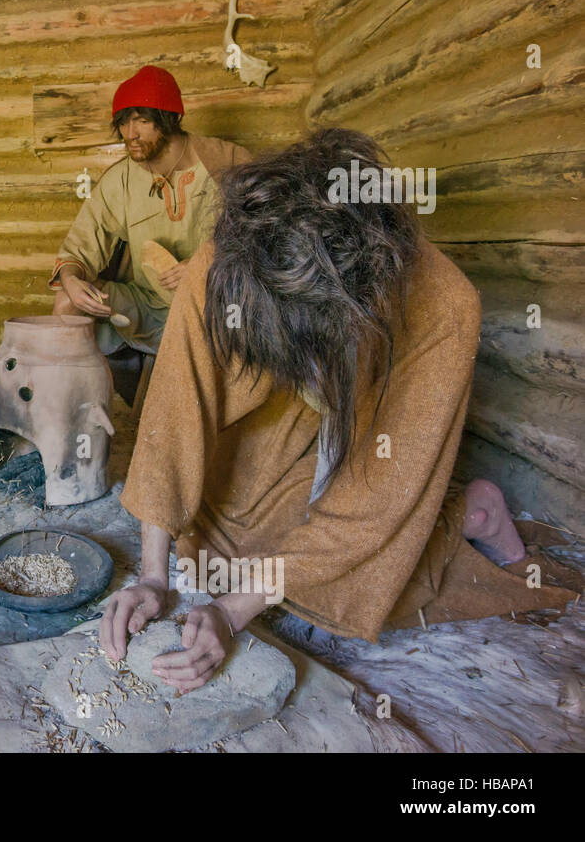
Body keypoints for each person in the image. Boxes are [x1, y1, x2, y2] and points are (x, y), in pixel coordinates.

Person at [100, 128, 578, 691]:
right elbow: (178, 401)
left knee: (359, 583)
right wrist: (153, 574)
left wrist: (231, 612)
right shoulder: (236, 252)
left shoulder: (444, 308)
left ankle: (468, 515)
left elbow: (374, 501)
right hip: (284, 430)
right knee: (226, 554)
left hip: (363, 434)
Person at [50, 65, 252, 403]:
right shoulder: (122, 180)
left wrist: (206, 263)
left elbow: (267, 233)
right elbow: (79, 249)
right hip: (148, 307)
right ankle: (73, 414)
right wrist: (71, 278)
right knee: (67, 301)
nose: (131, 133)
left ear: (168, 118)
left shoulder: (225, 161)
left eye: (142, 120)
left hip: (213, 309)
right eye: (124, 122)